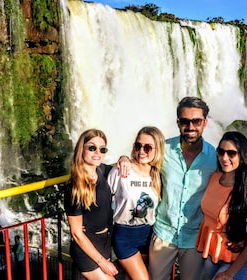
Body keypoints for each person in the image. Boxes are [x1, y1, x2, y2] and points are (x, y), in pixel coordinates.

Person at [118, 96, 218, 279]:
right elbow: (141, 159)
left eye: (196, 121)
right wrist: (124, 158)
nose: (190, 127)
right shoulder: (163, 150)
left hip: (194, 239)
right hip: (163, 233)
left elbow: (230, 180)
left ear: (205, 123)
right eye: (185, 121)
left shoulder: (215, 158)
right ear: (178, 122)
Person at [196, 131, 247, 280]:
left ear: (242, 156)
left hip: (234, 262)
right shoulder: (214, 177)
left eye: (231, 153)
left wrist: (229, 274)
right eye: (221, 152)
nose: (224, 158)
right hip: (211, 254)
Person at [108, 126, 165, 280]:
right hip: (124, 235)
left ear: (157, 149)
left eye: (147, 147)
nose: (141, 151)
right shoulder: (121, 171)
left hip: (148, 236)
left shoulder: (158, 175)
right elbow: (102, 198)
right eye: (138, 146)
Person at [64, 129, 118, 280]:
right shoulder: (74, 187)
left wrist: (125, 158)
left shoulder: (102, 170)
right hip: (86, 247)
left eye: (102, 149)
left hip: (104, 242)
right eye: (92, 147)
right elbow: (76, 232)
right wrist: (102, 262)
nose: (98, 153)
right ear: (82, 149)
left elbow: (121, 165)